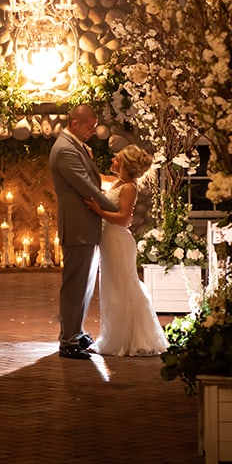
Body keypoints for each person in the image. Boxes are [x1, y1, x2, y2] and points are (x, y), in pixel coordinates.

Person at [84, 145, 169, 356]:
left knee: (124, 286)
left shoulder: (129, 187)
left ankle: (133, 338)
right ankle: (114, 336)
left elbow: (123, 219)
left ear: (125, 165)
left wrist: (98, 211)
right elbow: (95, 177)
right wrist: (87, 158)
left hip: (118, 241)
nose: (113, 159)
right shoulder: (116, 182)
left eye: (117, 158)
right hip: (108, 241)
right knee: (111, 289)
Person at [49, 104, 118, 360]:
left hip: (86, 226)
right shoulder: (65, 150)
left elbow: (94, 181)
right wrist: (119, 212)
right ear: (75, 123)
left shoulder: (75, 145)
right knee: (75, 284)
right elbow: (87, 187)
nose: (93, 131)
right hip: (78, 227)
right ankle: (68, 341)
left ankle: (75, 331)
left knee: (85, 283)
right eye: (90, 126)